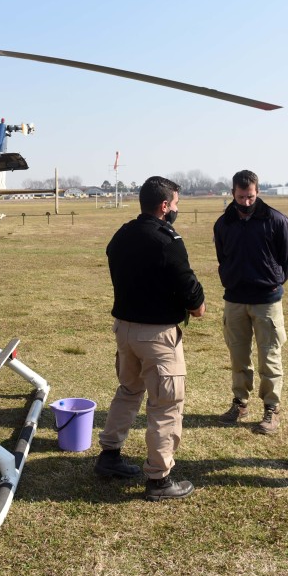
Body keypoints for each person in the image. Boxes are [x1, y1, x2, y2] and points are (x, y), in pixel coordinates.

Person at [95, 176, 206, 501]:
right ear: (164, 206)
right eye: (175, 204)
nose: (176, 210)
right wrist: (198, 306)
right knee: (166, 406)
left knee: (129, 391)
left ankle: (110, 456)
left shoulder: (123, 234)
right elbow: (189, 287)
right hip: (156, 336)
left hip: (125, 330)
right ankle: (159, 479)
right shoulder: (167, 240)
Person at [213, 170, 288, 434]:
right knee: (238, 356)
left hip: (266, 301)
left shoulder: (276, 220)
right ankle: (240, 403)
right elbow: (222, 256)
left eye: (250, 196)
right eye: (241, 197)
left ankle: (271, 409)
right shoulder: (223, 223)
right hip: (235, 300)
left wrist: (274, 280)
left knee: (269, 357)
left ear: (257, 191)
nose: (246, 202)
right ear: (232, 194)